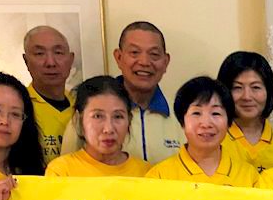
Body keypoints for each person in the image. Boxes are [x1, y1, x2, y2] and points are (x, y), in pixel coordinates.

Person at [64, 22, 182, 163]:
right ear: (118, 57)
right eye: (134, 52)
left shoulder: (182, 115)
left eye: (154, 54)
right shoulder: (87, 113)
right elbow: (68, 169)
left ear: (166, 62)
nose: (144, 62)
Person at [46, 76, 150, 178]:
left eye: (118, 116)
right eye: (98, 116)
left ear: (129, 120)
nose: (108, 129)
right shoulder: (61, 172)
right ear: (79, 119)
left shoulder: (147, 173)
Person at [218, 51, 273, 172]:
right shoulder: (214, 140)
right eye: (237, 88)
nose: (247, 96)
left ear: (269, 91)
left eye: (255, 87)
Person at [22, 25, 76, 162]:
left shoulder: (82, 105)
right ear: (26, 61)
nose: (51, 63)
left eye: (58, 53)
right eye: (40, 54)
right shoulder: (18, 107)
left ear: (71, 59)